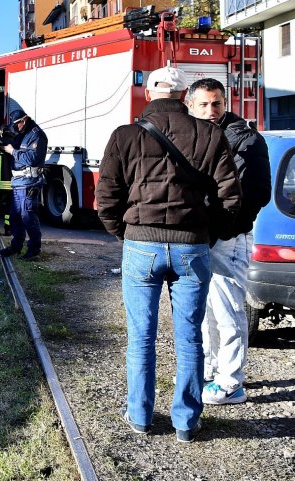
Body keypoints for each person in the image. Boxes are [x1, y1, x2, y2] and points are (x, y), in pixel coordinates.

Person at [96, 65, 241, 444]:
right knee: (190, 337)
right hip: (192, 245)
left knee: (141, 336)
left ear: (148, 93)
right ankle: (186, 422)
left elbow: (106, 199)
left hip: (141, 245)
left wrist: (126, 236)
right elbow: (230, 196)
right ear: (182, 96)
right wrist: (207, 236)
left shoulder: (125, 136)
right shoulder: (210, 134)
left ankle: (141, 415)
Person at [187, 77, 271, 406]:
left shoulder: (244, 139)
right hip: (202, 238)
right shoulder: (193, 135)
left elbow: (256, 193)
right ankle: (211, 369)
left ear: (225, 103)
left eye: (216, 103)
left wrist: (222, 228)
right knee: (206, 308)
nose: (211, 110)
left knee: (229, 311)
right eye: (204, 104)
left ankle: (231, 382)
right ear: (190, 104)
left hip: (227, 238)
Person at [0, 109, 47, 260]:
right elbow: (14, 145)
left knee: (28, 217)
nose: (15, 127)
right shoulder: (23, 133)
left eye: (17, 124)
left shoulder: (36, 135)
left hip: (29, 183)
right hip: (18, 183)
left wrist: (12, 152)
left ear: (24, 121)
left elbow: (31, 158)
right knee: (15, 217)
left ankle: (34, 251)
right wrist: (2, 144)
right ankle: (16, 246)